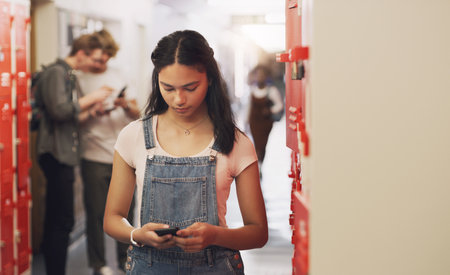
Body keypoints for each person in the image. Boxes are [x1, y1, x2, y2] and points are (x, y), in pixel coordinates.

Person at [104, 30, 268, 274]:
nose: (179, 99)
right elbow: (112, 219)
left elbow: (258, 233)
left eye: (190, 87)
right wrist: (137, 234)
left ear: (210, 79)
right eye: (167, 88)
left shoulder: (234, 142)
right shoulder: (134, 136)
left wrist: (215, 235)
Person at [36, 34, 113, 275]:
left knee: (61, 219)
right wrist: (92, 98)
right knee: (62, 220)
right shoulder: (57, 73)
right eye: (94, 59)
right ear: (81, 53)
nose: (96, 65)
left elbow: (70, 117)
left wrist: (91, 112)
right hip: (56, 154)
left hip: (65, 154)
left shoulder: (68, 74)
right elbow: (59, 111)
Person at [78, 29, 140, 275]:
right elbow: (73, 117)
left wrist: (124, 104)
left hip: (123, 156)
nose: (101, 63)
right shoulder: (80, 79)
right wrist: (93, 109)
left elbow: (138, 113)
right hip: (92, 154)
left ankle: (125, 260)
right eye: (97, 59)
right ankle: (98, 264)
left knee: (125, 211)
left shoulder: (119, 75)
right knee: (95, 212)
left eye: (105, 58)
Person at [247, 64, 283, 168]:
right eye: (257, 75)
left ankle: (260, 164)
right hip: (254, 122)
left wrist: (270, 110)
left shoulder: (271, 91)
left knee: (262, 145)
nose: (259, 77)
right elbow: (249, 108)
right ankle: (258, 166)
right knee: (256, 144)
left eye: (262, 75)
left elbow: (279, 105)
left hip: (266, 124)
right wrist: (246, 122)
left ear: (266, 76)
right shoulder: (252, 90)